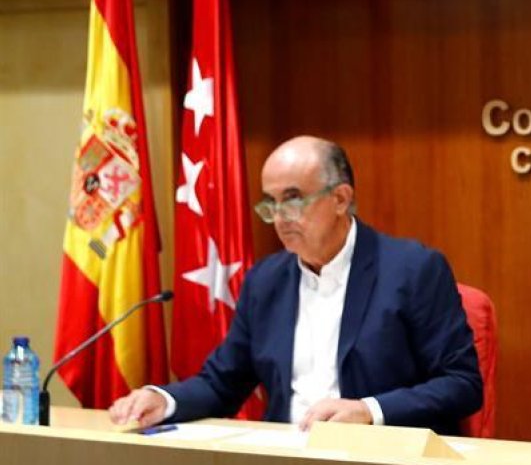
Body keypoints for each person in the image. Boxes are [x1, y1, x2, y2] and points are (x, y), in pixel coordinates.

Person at [109, 136, 482, 435]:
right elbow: (222, 383)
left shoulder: (412, 270)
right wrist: (163, 399)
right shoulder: (266, 282)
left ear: (341, 199)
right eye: (270, 204)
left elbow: (461, 385)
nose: (280, 218)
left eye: (293, 199)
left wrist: (368, 410)